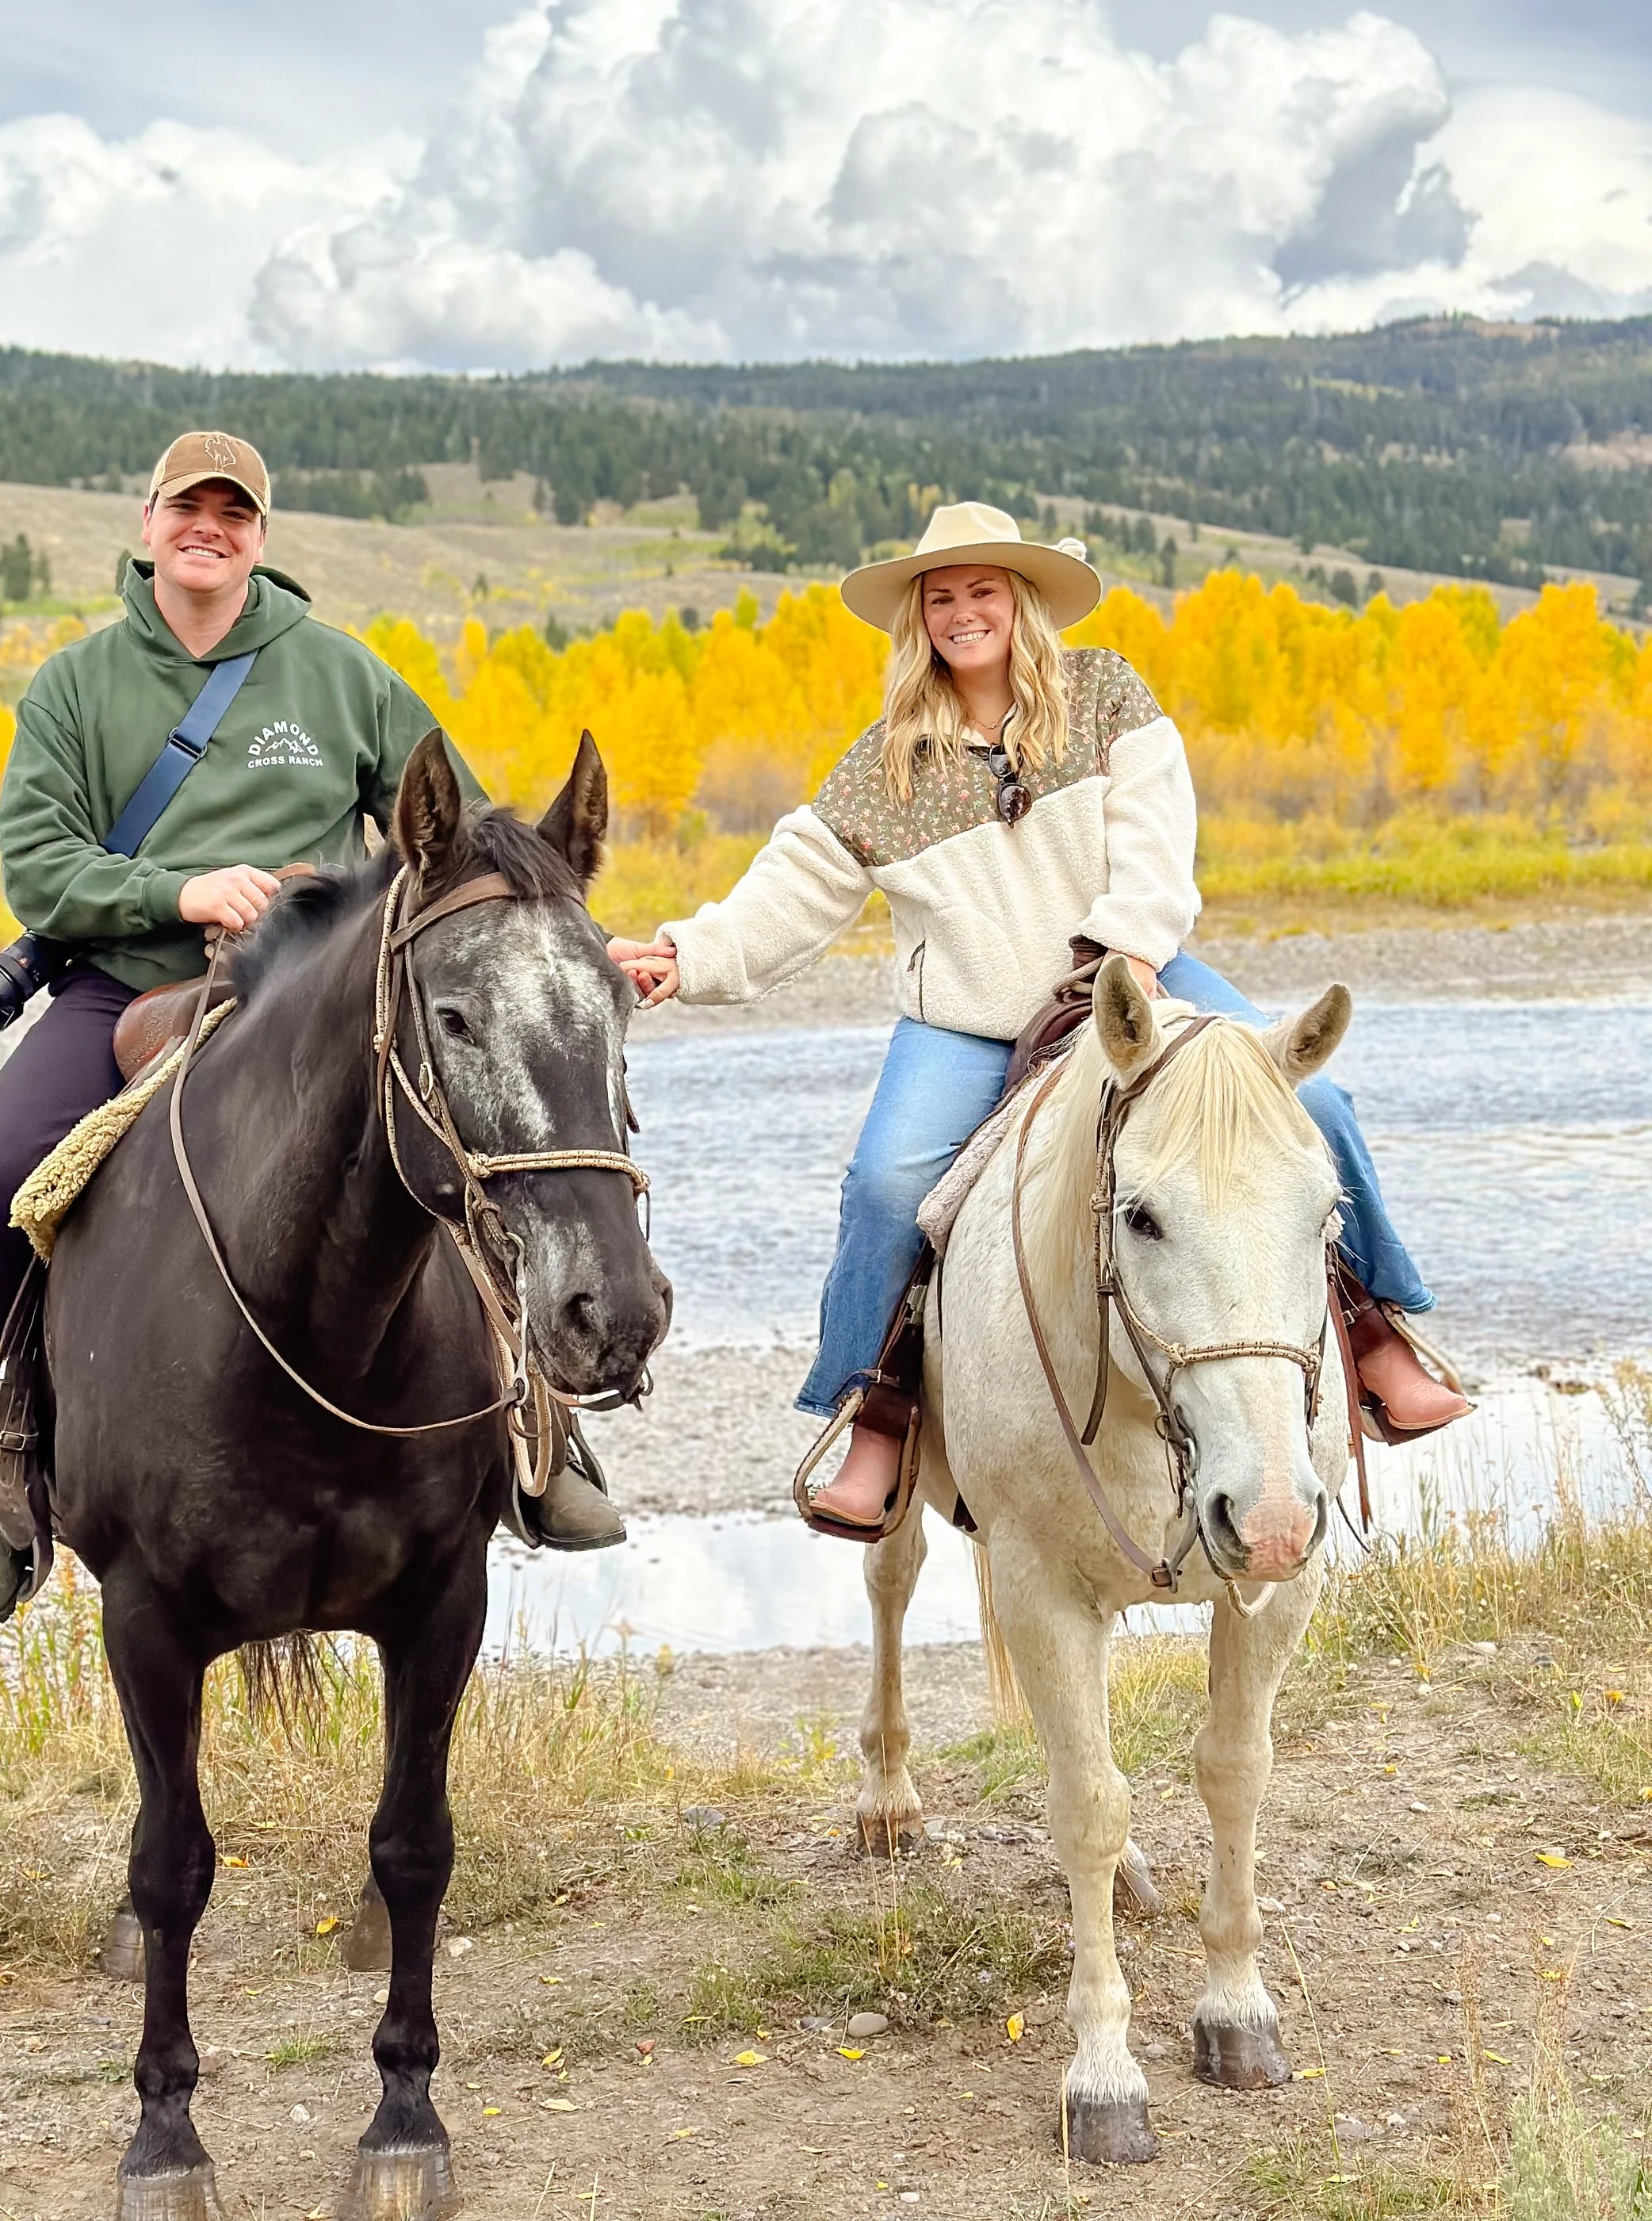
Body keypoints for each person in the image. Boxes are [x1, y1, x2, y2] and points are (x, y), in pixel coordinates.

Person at [608, 503, 1467, 1536]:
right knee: (887, 1182)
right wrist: (684, 955)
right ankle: (876, 1413)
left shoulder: (1106, 695)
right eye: (941, 598)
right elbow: (792, 894)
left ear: (1020, 602)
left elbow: (1157, 838)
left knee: (1315, 1097)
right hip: (965, 1018)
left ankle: (1376, 1331)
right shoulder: (886, 763)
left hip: (1135, 977)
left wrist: (1131, 950)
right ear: (918, 620)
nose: (963, 613)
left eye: (983, 592)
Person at [0, 431, 625, 1634]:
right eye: (187, 508)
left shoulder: (341, 675)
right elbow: (40, 867)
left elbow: (457, 843)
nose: (209, 527)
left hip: (314, 996)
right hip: (122, 990)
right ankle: (6, 1466)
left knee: (462, 1139)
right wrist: (180, 893)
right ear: (147, 523)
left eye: (234, 513)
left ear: (261, 536)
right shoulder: (75, 686)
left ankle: (533, 1426)